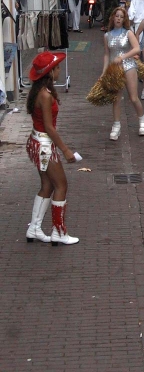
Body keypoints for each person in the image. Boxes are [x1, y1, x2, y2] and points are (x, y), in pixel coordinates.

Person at [25, 52, 79, 245]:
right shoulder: (45, 96)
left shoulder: (38, 92)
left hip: (36, 142)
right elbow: (49, 127)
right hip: (45, 146)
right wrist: (65, 150)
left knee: (47, 186)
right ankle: (59, 231)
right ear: (49, 73)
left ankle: (34, 228)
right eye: (56, 69)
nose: (59, 71)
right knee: (61, 185)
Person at [103, 7, 144, 139]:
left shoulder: (128, 33)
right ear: (113, 18)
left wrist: (122, 57)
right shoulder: (107, 35)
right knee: (116, 99)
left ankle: (142, 120)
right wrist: (104, 71)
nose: (118, 18)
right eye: (116, 16)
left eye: (121, 17)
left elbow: (137, 49)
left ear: (124, 20)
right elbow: (106, 54)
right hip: (114, 69)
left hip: (128, 66)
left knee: (133, 97)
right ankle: (116, 125)